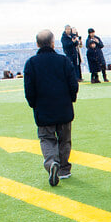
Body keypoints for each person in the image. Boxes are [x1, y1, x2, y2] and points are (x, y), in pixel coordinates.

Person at [24, 29, 78, 187]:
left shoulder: (31, 63)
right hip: (63, 108)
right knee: (64, 139)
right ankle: (64, 169)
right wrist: (71, 99)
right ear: (53, 43)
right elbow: (73, 84)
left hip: (43, 109)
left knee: (47, 139)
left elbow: (29, 90)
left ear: (37, 44)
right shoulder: (64, 61)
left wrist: (34, 104)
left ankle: (51, 163)